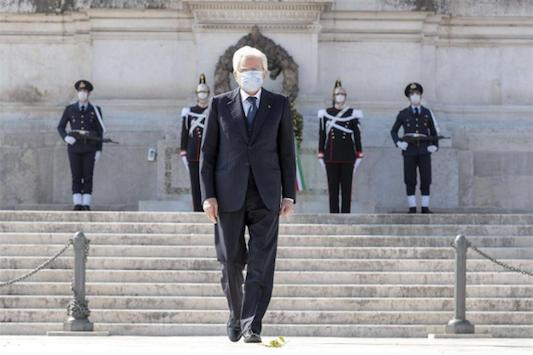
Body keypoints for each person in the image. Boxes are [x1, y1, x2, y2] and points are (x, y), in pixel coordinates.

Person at [200, 46, 296, 343]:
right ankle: (236, 312)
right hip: (228, 195)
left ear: (264, 73)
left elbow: (286, 152)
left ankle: (252, 324)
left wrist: (289, 195)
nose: (251, 75)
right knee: (230, 260)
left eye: (257, 70)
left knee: (260, 263)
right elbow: (207, 155)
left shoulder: (278, 105)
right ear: (236, 74)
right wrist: (208, 196)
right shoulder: (219, 105)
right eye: (246, 70)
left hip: (266, 195)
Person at [391, 82, 440, 213]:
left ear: (421, 96)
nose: (415, 96)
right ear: (408, 97)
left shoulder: (427, 112)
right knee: (410, 179)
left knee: (426, 178)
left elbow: (433, 132)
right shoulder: (403, 113)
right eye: (412, 94)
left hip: (424, 150)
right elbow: (393, 131)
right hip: (409, 151)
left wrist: (435, 146)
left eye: (417, 94)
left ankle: (425, 207)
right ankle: (412, 207)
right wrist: (398, 143)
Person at [57, 80, 105, 211]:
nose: (82, 94)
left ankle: (86, 203)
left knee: (88, 175)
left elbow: (100, 131)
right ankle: (77, 203)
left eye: (84, 92)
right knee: (76, 175)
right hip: (74, 147)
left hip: (90, 147)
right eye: (80, 91)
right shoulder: (70, 109)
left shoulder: (95, 110)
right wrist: (66, 137)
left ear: (88, 94)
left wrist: (99, 150)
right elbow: (60, 126)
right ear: (77, 93)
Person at [317, 80, 364, 213]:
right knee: (333, 188)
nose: (340, 96)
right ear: (334, 96)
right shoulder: (325, 114)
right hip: (331, 156)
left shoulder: (352, 114)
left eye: (342, 94)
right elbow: (322, 135)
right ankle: (333, 214)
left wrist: (359, 153)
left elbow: (357, 135)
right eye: (338, 94)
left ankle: (345, 214)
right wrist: (321, 152)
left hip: (348, 155)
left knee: (346, 188)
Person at [180, 74, 210, 211]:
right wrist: (183, 152)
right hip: (193, 155)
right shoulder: (189, 112)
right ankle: (197, 209)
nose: (202, 95)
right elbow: (184, 133)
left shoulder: (212, 111)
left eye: (205, 92)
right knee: (195, 184)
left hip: (208, 153)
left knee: (208, 183)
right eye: (200, 92)